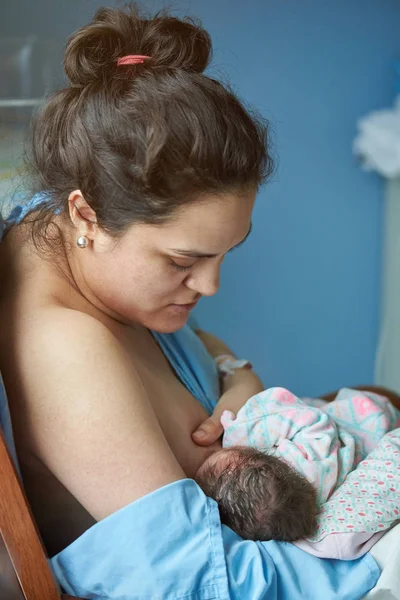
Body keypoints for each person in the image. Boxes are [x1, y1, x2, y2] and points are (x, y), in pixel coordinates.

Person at [0, 5, 381, 598]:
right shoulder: (63, 349)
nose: (210, 288)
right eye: (183, 261)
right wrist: (387, 560)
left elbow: (201, 345)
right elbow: (197, 583)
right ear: (85, 213)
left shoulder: (62, 237)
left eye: (226, 253)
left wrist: (234, 369)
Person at [194, 386, 400, 547]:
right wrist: (240, 430)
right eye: (220, 453)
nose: (220, 446)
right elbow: (313, 419)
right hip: (372, 418)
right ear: (245, 459)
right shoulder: (305, 462)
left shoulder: (295, 503)